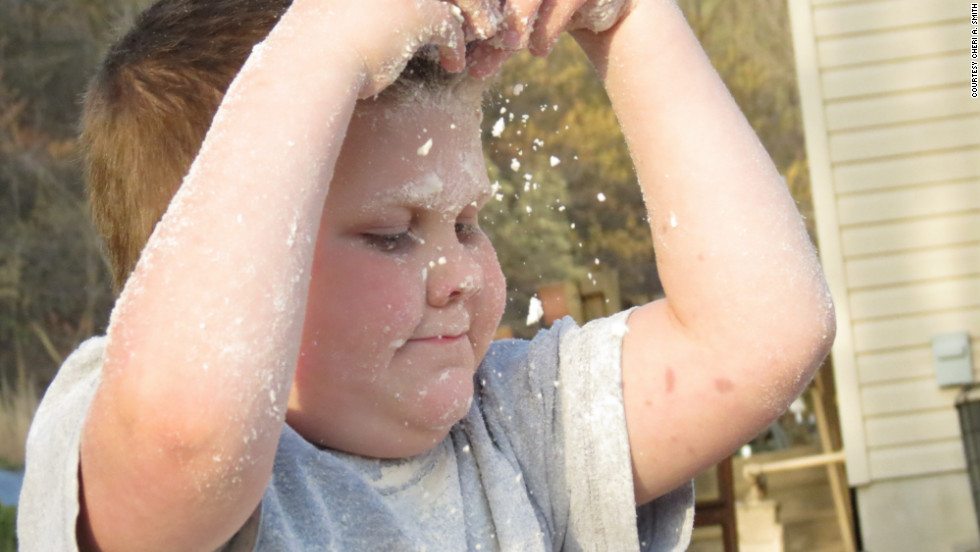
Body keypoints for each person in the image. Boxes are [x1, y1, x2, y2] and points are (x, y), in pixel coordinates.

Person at [18, 0, 836, 549]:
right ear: (216, 265)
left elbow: (762, 336)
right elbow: (187, 435)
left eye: (469, 223)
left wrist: (635, 22)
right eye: (389, 235)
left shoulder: (509, 433)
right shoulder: (126, 424)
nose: (463, 278)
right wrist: (319, 51)